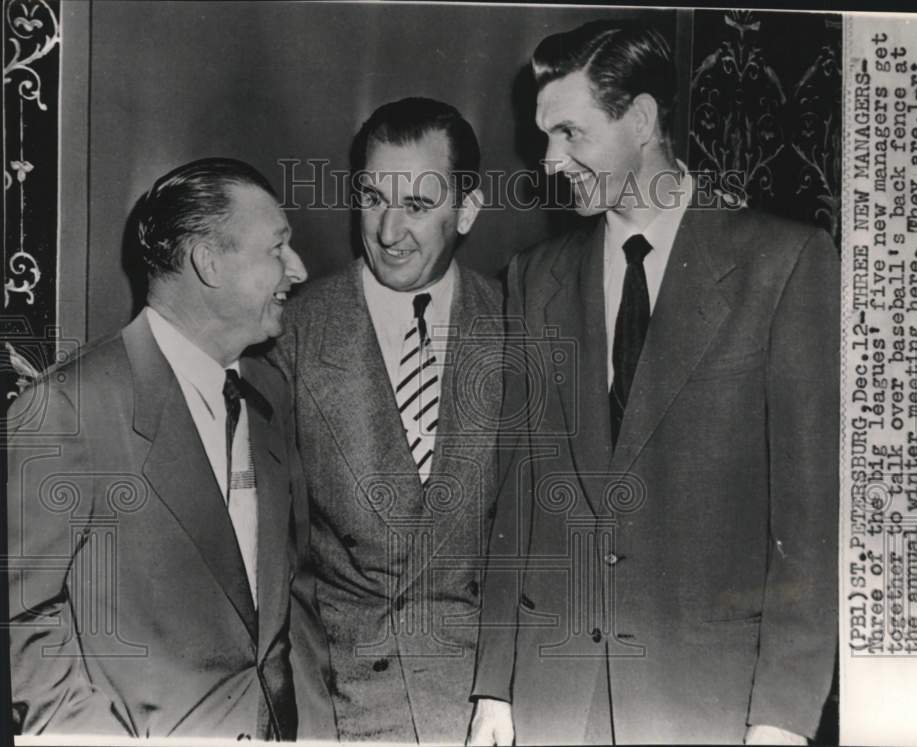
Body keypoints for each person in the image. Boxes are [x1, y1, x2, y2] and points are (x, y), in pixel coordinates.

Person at [468, 20, 839, 746]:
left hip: (712, 701)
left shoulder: (784, 263)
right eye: (546, 135)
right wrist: (494, 687)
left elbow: (809, 518)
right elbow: (516, 490)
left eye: (571, 132)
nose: (549, 158)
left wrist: (783, 717)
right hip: (553, 695)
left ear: (640, 120)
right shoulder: (535, 278)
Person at [6, 158, 336, 739]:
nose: (299, 269)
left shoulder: (270, 390)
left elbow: (294, 594)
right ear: (208, 264)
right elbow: (18, 621)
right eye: (277, 249)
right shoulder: (67, 409)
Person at [271, 97, 502, 743]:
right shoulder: (289, 334)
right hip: (344, 706)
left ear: (468, 209)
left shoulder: (520, 325)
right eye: (374, 197)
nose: (389, 230)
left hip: (491, 709)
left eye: (420, 206)